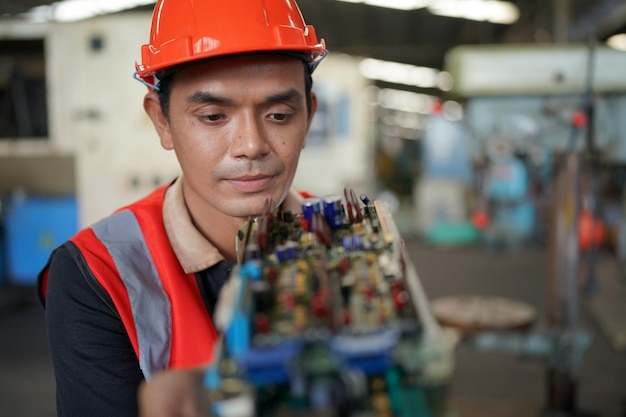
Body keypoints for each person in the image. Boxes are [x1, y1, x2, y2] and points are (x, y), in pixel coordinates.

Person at [37, 1, 326, 416]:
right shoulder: (97, 271)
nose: (251, 145)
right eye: (212, 116)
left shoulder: (349, 236)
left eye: (279, 114)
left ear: (309, 117)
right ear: (162, 122)